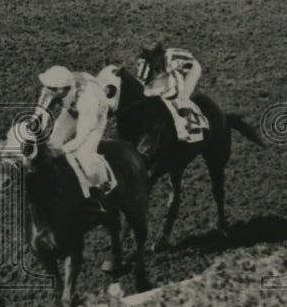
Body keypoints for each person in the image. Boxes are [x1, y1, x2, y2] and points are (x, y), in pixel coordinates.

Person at [36, 65, 117, 212]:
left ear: (62, 89)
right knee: (52, 143)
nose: (47, 90)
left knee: (84, 154)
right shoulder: (52, 87)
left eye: (52, 89)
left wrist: (62, 151)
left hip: (96, 114)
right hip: (72, 108)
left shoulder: (88, 100)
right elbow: (40, 112)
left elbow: (82, 136)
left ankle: (101, 189)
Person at [137, 42, 202, 119]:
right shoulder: (145, 61)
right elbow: (141, 82)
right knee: (154, 87)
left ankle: (189, 119)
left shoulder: (171, 62)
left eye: (152, 59)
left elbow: (177, 88)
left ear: (159, 55)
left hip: (191, 68)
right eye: (148, 59)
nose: (150, 63)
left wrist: (161, 97)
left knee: (182, 98)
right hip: (170, 69)